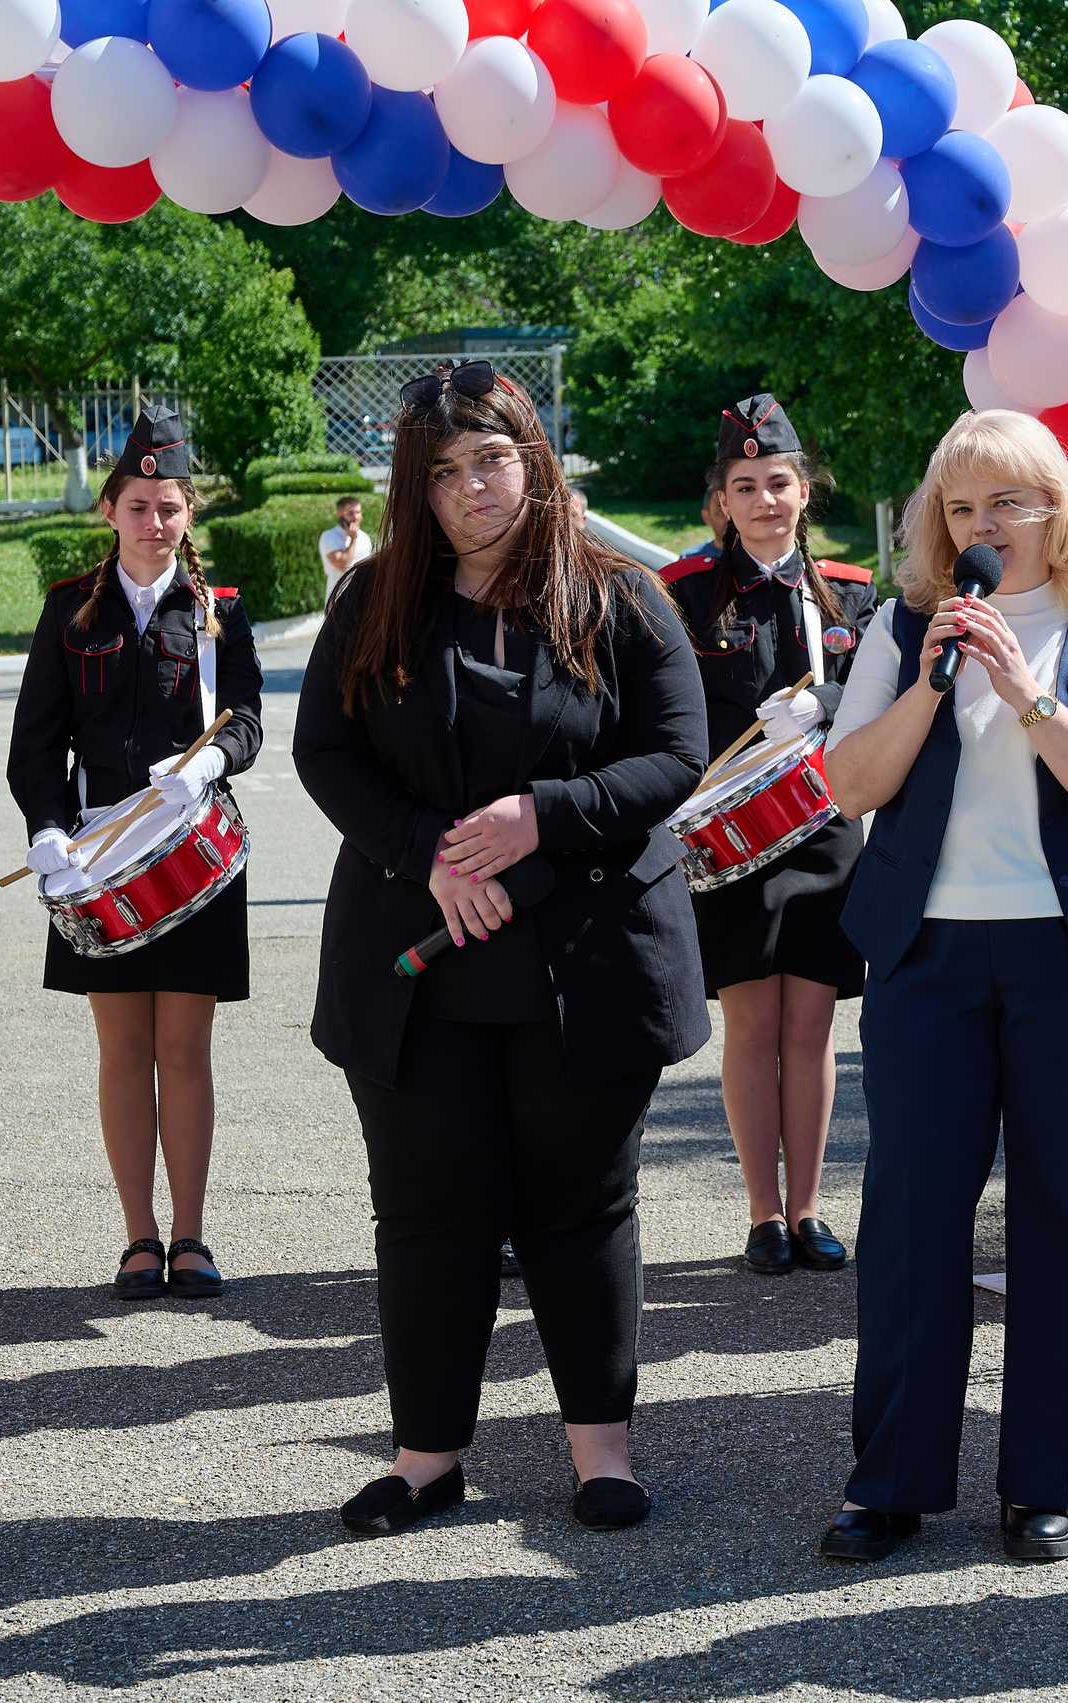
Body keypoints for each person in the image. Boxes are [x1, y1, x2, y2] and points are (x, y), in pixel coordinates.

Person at [293, 361, 709, 1539]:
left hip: (584, 958)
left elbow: (677, 754)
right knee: (429, 1214)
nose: (473, 488)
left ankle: (601, 1457)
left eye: (491, 459)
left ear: (532, 457)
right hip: (420, 962)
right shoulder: (372, 599)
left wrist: (543, 814)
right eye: (443, 471)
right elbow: (326, 753)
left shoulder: (621, 595)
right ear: (413, 490)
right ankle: (425, 1459)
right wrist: (431, 850)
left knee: (583, 1209)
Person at [818, 409, 1068, 1564]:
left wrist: (1028, 692)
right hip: (930, 957)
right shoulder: (904, 626)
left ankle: (1043, 1483)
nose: (982, 527)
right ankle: (892, 1482)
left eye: (1006, 503)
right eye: (961, 507)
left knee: (1062, 1216)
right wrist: (925, 684)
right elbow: (847, 785)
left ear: (1054, 509)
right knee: (913, 1221)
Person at [7, 407, 265, 1299]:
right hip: (98, 855)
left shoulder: (218, 611)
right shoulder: (69, 609)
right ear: (110, 510)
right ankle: (139, 1237)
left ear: (188, 513)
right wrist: (47, 828)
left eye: (170, 506)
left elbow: (250, 723)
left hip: (195, 854)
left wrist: (212, 767)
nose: (156, 522)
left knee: (186, 1048)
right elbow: (34, 746)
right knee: (123, 1050)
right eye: (140, 505)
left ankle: (191, 1235)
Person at [662, 395, 877, 1275]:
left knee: (813, 1029)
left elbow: (883, 697)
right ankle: (760, 1214)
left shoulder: (849, 592)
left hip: (825, 834)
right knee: (753, 1027)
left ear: (803, 489)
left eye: (778, 482)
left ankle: (808, 1207)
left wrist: (822, 703)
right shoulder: (684, 594)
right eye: (745, 485)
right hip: (734, 841)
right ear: (722, 498)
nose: (765, 500)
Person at [319, 495, 372, 604]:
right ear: (339, 515)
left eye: (358, 512)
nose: (355, 517)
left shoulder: (365, 538)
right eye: (350, 513)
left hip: (363, 598)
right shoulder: (329, 536)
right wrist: (353, 539)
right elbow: (343, 565)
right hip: (339, 599)